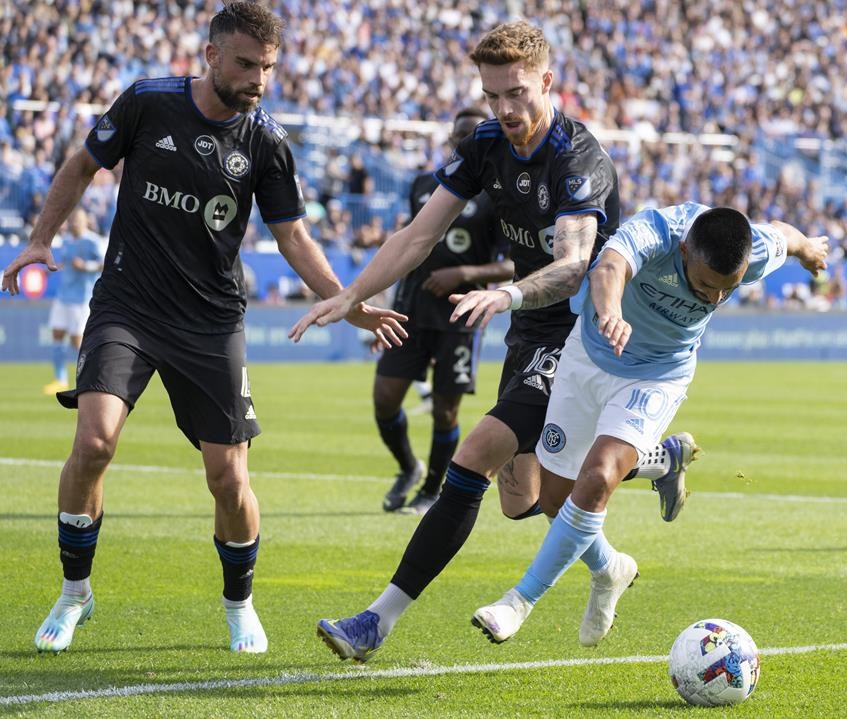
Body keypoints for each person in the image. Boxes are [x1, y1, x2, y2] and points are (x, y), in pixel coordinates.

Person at [1, 1, 405, 655]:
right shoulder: (146, 102)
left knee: (227, 477)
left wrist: (347, 298)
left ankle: (238, 602)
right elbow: (80, 167)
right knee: (95, 441)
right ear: (211, 54)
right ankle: (75, 592)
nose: (258, 79)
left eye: (268, 68)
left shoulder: (266, 141)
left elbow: (294, 235)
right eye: (247, 64)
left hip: (211, 322)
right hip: (126, 306)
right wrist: (40, 239)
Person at [289, 21, 689, 662]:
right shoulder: (483, 144)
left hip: (584, 335)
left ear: (548, 82)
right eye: (493, 93)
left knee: (472, 454)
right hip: (531, 333)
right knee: (524, 500)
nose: (505, 109)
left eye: (518, 93)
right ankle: (639, 492)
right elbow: (417, 237)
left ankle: (375, 622)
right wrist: (350, 294)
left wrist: (505, 293)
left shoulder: (577, 157)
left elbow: (573, 264)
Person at [471, 203, 830, 645]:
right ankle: (611, 570)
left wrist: (808, 249)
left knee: (599, 476)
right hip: (590, 353)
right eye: (704, 285)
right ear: (683, 251)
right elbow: (608, 270)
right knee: (553, 500)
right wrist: (609, 313)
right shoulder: (658, 231)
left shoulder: (753, 251)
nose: (713, 299)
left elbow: (784, 234)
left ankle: (518, 601)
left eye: (726, 290)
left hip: (659, 374)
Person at [376, 107, 513, 514]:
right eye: (461, 136)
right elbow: (407, 241)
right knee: (385, 398)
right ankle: (408, 467)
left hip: (460, 313)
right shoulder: (424, 184)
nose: (466, 143)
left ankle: (432, 488)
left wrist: (464, 273)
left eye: (475, 136)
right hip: (411, 307)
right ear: (453, 139)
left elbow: (513, 264)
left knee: (445, 409)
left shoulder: (499, 197)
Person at [43, 208, 104, 395]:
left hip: (82, 298)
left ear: (86, 221)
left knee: (77, 340)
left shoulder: (93, 241)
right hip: (63, 296)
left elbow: (104, 264)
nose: (74, 223)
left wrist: (85, 266)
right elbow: (66, 263)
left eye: (78, 220)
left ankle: (89, 378)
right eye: (72, 220)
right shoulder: (67, 241)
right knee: (57, 333)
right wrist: (52, 268)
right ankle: (60, 379)